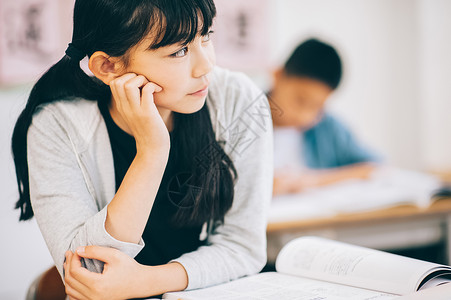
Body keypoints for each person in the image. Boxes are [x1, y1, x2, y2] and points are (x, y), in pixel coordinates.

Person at [11, 0, 273, 299]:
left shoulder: (239, 101)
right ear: (108, 66)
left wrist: (145, 281)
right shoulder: (57, 126)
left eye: (206, 36)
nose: (206, 65)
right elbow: (90, 273)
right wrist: (151, 151)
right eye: (179, 51)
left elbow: (243, 247)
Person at [269, 39, 380, 196]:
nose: (304, 115)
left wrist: (310, 181)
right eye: (300, 100)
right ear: (278, 76)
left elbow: (375, 166)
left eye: (317, 106)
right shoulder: (242, 117)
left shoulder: (327, 126)